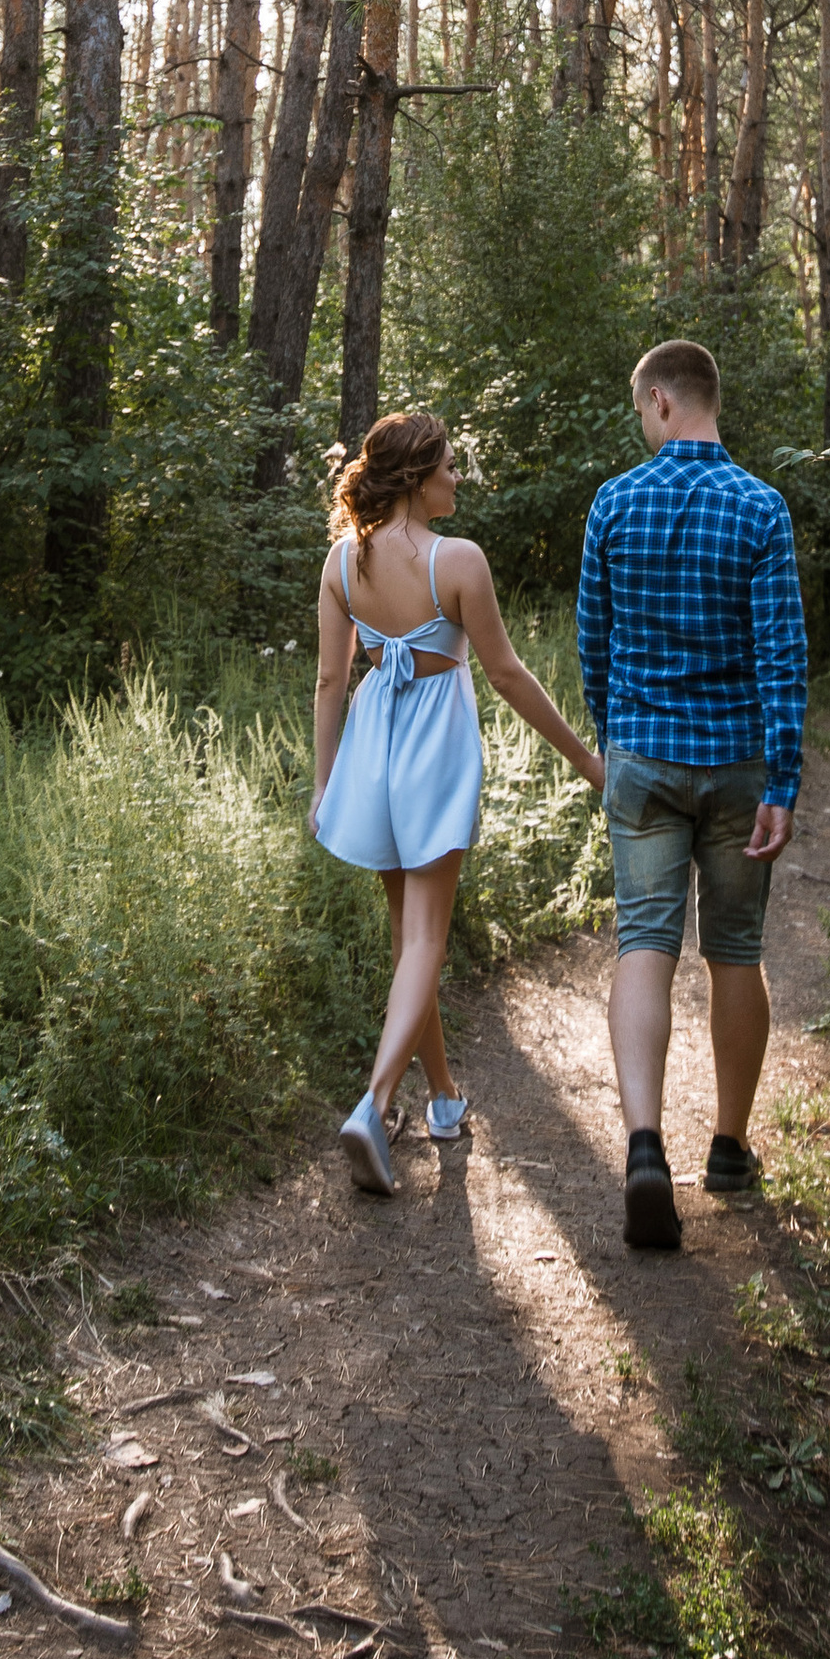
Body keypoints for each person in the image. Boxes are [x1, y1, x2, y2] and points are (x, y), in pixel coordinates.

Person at [312, 407, 606, 1196]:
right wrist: (585, 759)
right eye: (447, 464)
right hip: (434, 749)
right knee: (426, 939)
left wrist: (325, 782)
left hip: (371, 752)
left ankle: (442, 1101)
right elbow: (507, 675)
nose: (457, 476)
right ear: (415, 477)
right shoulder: (459, 560)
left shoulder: (343, 564)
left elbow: (332, 681)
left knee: (411, 941)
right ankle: (373, 1107)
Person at [576, 337, 806, 1252]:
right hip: (739, 765)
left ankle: (642, 1149)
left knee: (644, 939)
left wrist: (615, 736)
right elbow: (782, 656)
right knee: (736, 949)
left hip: (642, 758)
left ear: (664, 401)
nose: (643, 424)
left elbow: (594, 642)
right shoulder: (760, 508)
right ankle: (728, 1147)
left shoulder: (613, 503)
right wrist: (782, 781)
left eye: (642, 409)